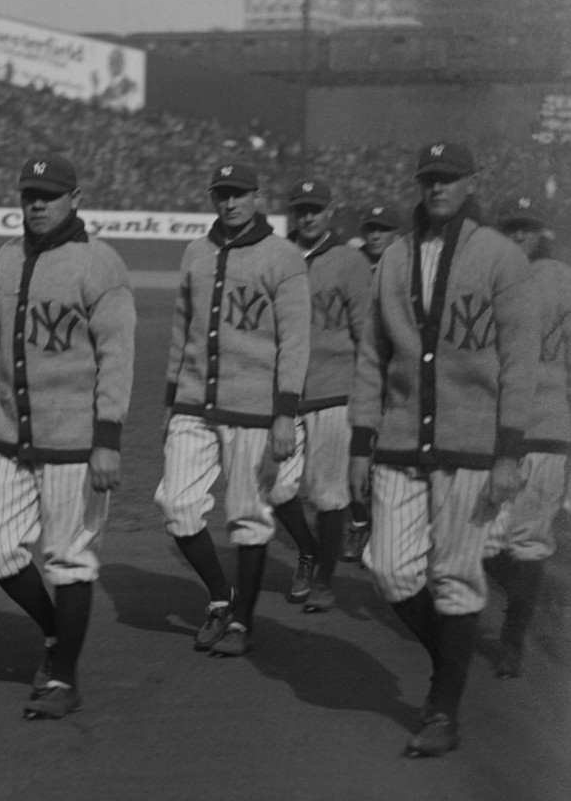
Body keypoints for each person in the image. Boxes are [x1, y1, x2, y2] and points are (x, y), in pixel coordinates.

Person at [348, 142, 536, 758]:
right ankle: (449, 660)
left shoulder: (501, 257)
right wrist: (360, 442)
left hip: (473, 444)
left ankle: (443, 709)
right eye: (429, 179)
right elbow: (374, 356)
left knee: (454, 577)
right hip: (401, 439)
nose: (437, 189)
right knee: (390, 568)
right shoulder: (395, 257)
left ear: (470, 183)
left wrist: (509, 451)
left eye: (449, 179)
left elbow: (518, 363)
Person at [0, 154, 135, 720]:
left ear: (75, 199)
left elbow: (117, 356)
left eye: (48, 194)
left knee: (70, 558)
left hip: (75, 440)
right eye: (28, 195)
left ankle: (64, 680)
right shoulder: (5, 258)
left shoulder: (100, 263)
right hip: (10, 433)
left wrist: (108, 437)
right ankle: (55, 634)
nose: (36, 204)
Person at [154, 158, 311, 657]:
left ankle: (241, 623)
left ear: (257, 197)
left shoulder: (283, 257)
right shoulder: (195, 253)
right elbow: (182, 331)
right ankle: (221, 598)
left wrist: (285, 411)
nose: (230, 201)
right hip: (195, 402)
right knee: (176, 504)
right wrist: (170, 399)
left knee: (247, 514)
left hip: (255, 409)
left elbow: (295, 340)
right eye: (222, 193)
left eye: (239, 193)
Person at [270, 177, 371, 613]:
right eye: (301, 208)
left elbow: (366, 333)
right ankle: (309, 551)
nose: (307, 215)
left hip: (335, 390)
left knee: (329, 493)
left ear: (330, 211)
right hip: (285, 394)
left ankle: (325, 581)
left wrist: (369, 396)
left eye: (315, 208)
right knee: (272, 489)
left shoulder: (349, 261)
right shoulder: (275, 256)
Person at [484, 195, 571, 678]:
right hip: (500, 427)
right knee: (486, 541)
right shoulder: (503, 274)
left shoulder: (553, 277)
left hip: (543, 425)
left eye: (528, 228)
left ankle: (514, 640)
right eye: (511, 227)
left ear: (545, 233)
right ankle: (523, 612)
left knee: (525, 541)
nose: (518, 236)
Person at [342, 202, 403, 562]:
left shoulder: (405, 265)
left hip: (395, 375)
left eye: (384, 228)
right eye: (371, 229)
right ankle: (361, 523)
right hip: (354, 374)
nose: (376, 235)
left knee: (391, 458)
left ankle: (386, 528)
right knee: (354, 454)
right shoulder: (354, 264)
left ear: (397, 233)